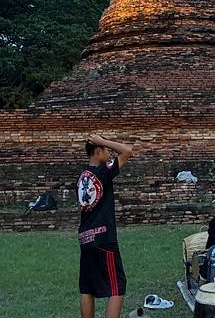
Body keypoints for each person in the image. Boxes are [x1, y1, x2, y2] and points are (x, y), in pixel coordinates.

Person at [77, 133, 133, 318]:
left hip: (85, 237)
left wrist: (101, 143)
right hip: (103, 238)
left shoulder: (82, 177)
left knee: (87, 287)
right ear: (98, 151)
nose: (109, 153)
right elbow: (127, 151)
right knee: (117, 285)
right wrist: (102, 141)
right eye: (106, 150)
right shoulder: (103, 171)